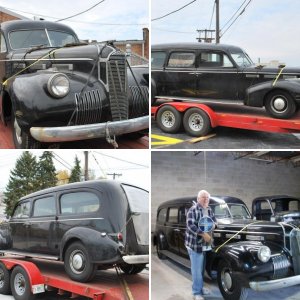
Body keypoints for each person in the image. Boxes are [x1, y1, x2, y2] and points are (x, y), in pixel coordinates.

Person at [185, 190, 217, 300]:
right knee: (196, 270)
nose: (205, 199)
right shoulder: (192, 210)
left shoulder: (209, 210)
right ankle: (196, 292)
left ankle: (200, 288)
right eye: (203, 197)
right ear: (198, 199)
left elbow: (214, 221)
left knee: (202, 269)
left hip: (205, 245)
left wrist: (212, 227)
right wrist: (203, 234)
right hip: (195, 244)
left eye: (207, 197)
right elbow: (190, 225)